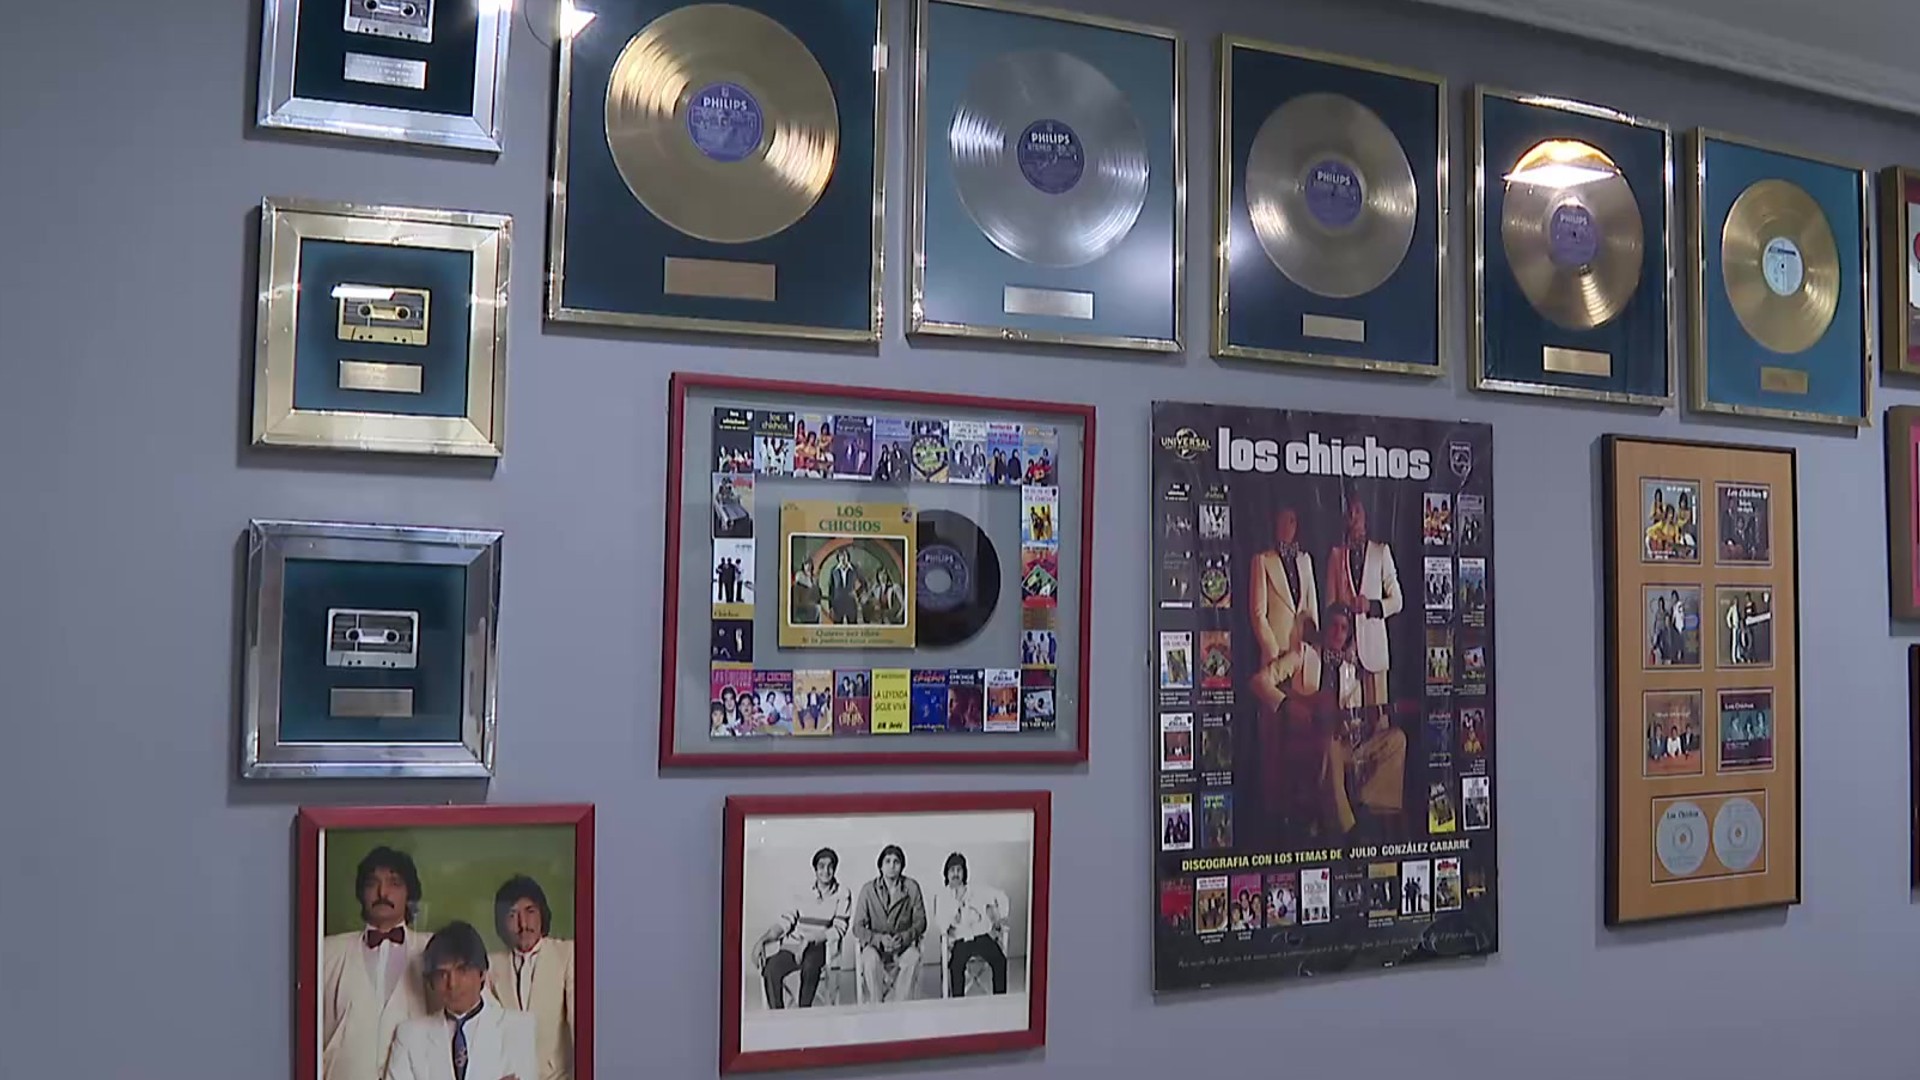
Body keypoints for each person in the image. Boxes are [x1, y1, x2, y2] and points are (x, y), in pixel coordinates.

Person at [322, 847, 432, 1080]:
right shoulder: (327, 952)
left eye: (394, 883)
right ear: (361, 893)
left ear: (409, 893)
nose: (383, 892)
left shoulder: (433, 950)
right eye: (372, 883)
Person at [384, 921, 535, 1080]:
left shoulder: (518, 1028)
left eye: (462, 970)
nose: (452, 984)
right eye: (442, 974)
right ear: (431, 982)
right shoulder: (410, 1035)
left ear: (482, 973)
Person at [487, 877, 575, 1080]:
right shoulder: (491, 965)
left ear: (542, 914)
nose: (523, 924)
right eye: (512, 915)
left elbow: (580, 1025)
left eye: (530, 911)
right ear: (502, 922)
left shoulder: (567, 954)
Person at [1324, 497, 1403, 709]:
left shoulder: (1380, 552)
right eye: (1349, 512)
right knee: (1348, 719)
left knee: (1379, 719)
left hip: (1374, 653)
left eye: (1357, 511)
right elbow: (1330, 605)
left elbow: (1397, 601)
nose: (1353, 516)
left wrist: (1372, 606)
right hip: (1345, 655)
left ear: (1366, 515)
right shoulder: (1336, 556)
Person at [752, 848, 852, 1009]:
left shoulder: (842, 893)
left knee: (810, 966)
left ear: (835, 869)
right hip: (793, 946)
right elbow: (786, 921)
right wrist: (762, 940)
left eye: (830, 866)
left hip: (817, 947)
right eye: (821, 866)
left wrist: (809, 940)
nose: (826, 871)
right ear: (815, 869)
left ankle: (803, 1013)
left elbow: (839, 929)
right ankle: (777, 1015)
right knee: (771, 969)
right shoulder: (802, 892)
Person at [852, 845, 927, 1003]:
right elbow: (857, 927)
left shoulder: (911, 887)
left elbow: (921, 922)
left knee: (913, 956)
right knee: (870, 959)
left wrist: (904, 938)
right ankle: (876, 1005)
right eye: (887, 861)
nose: (892, 866)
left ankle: (901, 1006)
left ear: (902, 866)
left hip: (902, 947)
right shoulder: (868, 890)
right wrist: (879, 939)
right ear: (880, 866)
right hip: (876, 948)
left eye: (896, 862)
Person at [931, 852, 1010, 997]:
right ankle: (958, 1003)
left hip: (981, 936)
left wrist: (999, 916)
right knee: (956, 966)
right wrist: (953, 916)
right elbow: (941, 923)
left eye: (959, 870)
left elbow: (1001, 896)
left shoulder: (977, 890)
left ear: (964, 873)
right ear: (946, 873)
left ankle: (1000, 1000)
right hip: (960, 940)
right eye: (952, 870)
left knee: (1000, 961)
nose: (956, 874)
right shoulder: (943, 896)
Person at [827, 551, 866, 626]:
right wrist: (830, 606)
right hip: (838, 603)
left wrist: (857, 594)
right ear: (838, 558)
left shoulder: (854, 569)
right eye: (841, 556)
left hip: (851, 603)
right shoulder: (834, 570)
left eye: (845, 556)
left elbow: (863, 583)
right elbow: (831, 589)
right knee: (837, 627)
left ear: (848, 557)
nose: (843, 558)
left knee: (853, 626)